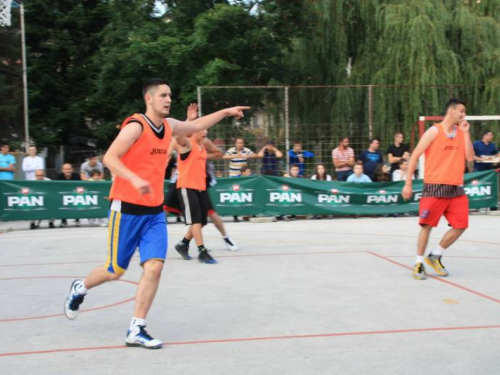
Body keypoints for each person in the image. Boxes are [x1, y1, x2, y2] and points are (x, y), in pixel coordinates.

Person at [64, 78, 249, 349]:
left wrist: (225, 111)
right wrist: (134, 179)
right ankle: (80, 288)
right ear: (149, 99)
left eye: (170, 95)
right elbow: (110, 158)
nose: (168, 99)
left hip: (153, 212)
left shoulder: (170, 126)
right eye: (163, 95)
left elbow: (197, 125)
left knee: (155, 267)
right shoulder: (136, 126)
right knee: (115, 270)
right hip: (126, 209)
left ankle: (137, 328)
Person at [402, 98, 474, 281]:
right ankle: (418, 262)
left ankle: (435, 255)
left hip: (456, 188)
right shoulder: (434, 131)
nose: (464, 115)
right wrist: (408, 183)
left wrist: (466, 134)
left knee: (461, 225)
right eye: (461, 111)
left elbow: (470, 158)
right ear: (451, 112)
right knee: (427, 226)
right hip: (435, 186)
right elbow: (415, 156)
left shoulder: (461, 132)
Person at [57, 163, 82, 227]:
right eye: (65, 169)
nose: (67, 171)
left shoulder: (77, 176)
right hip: (63, 195)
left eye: (69, 169)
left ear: (72, 169)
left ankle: (77, 220)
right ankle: (63, 221)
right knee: (61, 204)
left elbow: (80, 186)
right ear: (62, 170)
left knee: (78, 203)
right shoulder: (59, 177)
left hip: (74, 195)